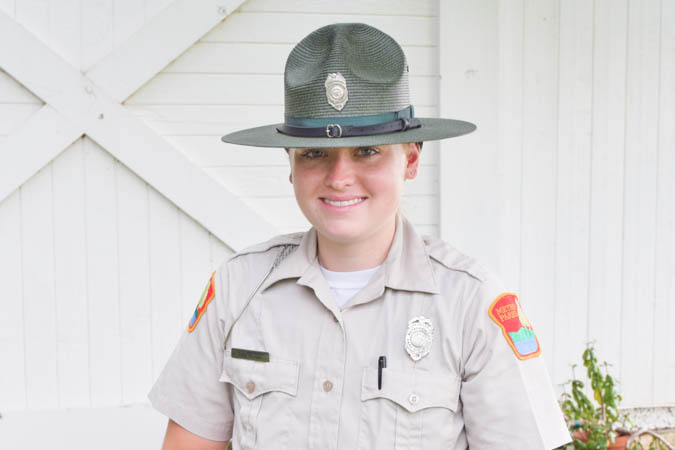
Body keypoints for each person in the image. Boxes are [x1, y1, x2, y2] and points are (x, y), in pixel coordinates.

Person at [149, 23, 572, 450]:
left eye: (367, 151)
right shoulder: (238, 290)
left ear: (411, 159)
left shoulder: (469, 305)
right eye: (315, 153)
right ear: (290, 164)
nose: (339, 177)